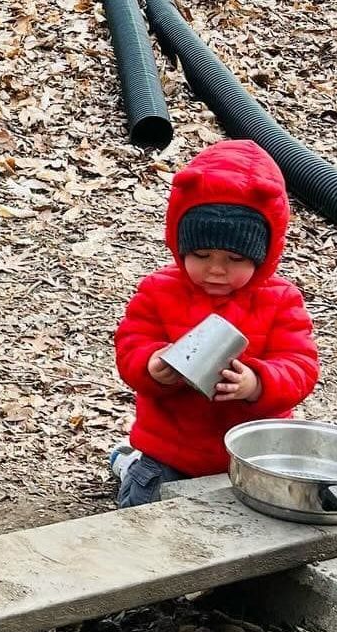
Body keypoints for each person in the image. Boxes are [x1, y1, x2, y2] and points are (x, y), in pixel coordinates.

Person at [111, 139, 320, 507]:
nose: (216, 269)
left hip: (249, 454)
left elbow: (301, 366)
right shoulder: (160, 290)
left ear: (263, 254)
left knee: (256, 529)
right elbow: (132, 343)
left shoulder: (280, 299)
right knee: (142, 514)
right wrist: (152, 365)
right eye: (202, 254)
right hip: (171, 449)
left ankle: (127, 463)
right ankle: (133, 467)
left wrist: (257, 383)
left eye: (235, 258)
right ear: (180, 246)